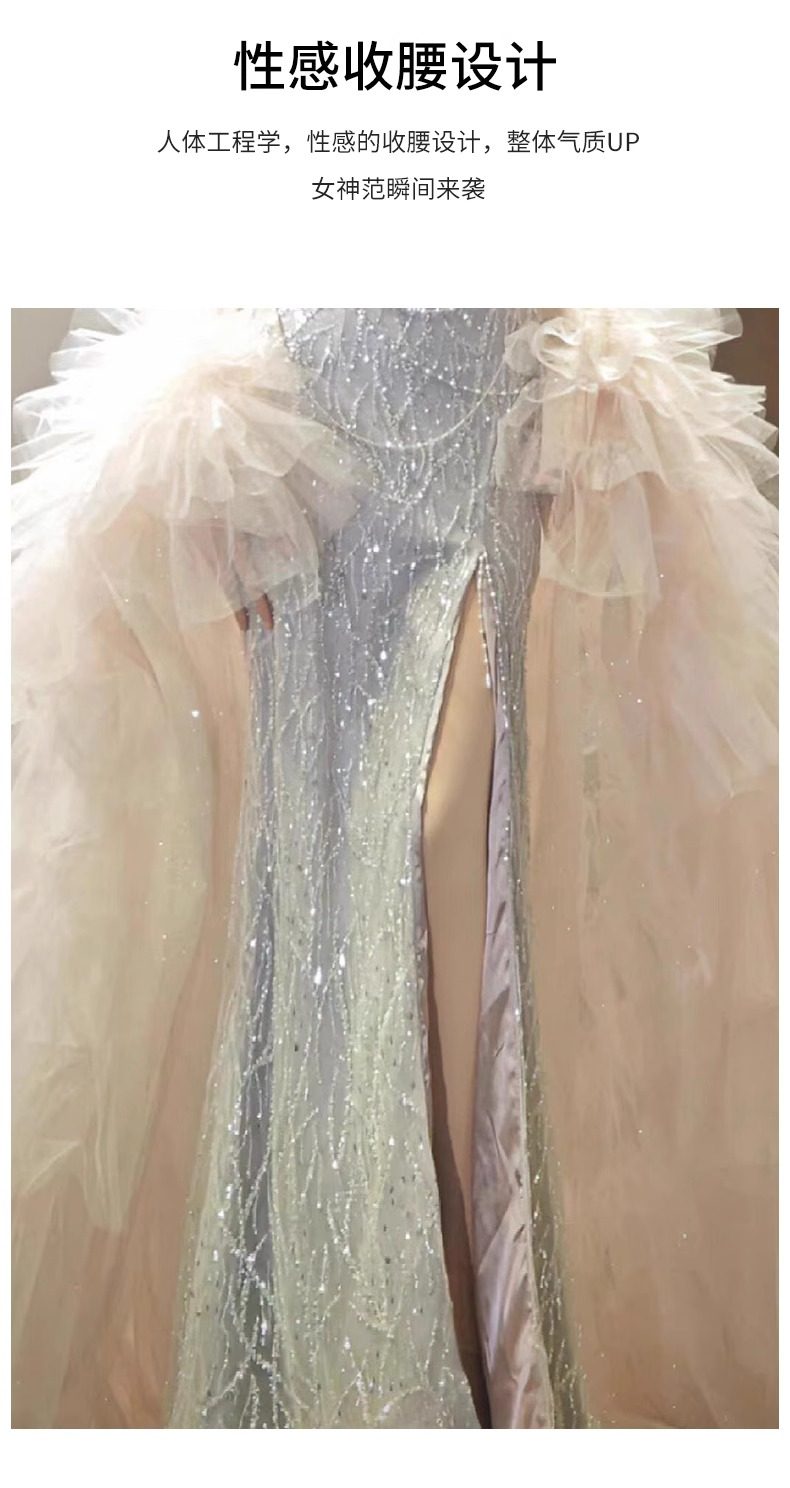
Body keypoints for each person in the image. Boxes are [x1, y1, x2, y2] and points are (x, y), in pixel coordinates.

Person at [11, 308, 778, 1428]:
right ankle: (322, 1343)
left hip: (482, 423)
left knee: (447, 861)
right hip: (312, 441)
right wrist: (213, 452)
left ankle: (472, 1344)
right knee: (313, 903)